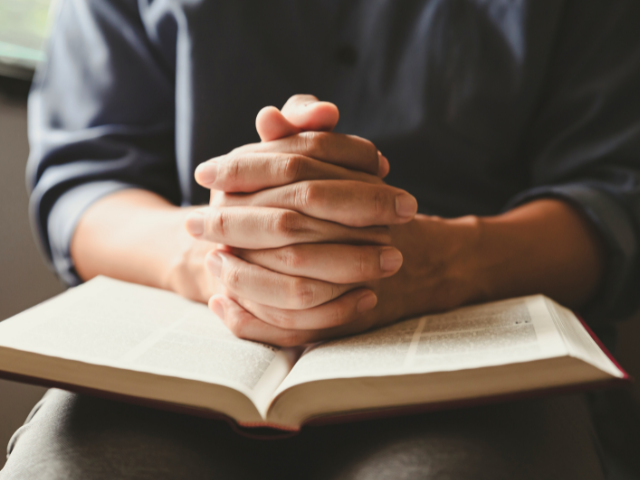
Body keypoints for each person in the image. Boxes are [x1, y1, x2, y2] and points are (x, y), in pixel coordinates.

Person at [2, 0, 640, 478]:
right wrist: (213, 254)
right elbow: (85, 182)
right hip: (189, 351)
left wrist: (445, 260)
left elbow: (617, 195)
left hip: (480, 347)